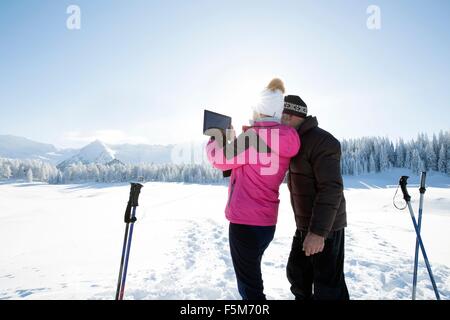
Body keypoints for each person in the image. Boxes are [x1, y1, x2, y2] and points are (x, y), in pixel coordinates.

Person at [205, 79, 300, 300]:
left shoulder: (253, 138)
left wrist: (215, 138)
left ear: (259, 110)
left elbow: (219, 159)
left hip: (244, 223)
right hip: (266, 223)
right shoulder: (286, 139)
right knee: (252, 278)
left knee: (250, 288)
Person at [281, 94, 349, 300]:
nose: (277, 123)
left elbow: (331, 188)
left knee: (327, 287)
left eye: (280, 116)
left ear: (290, 116)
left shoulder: (323, 142)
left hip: (325, 227)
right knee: (298, 274)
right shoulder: (293, 142)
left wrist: (318, 233)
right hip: (305, 224)